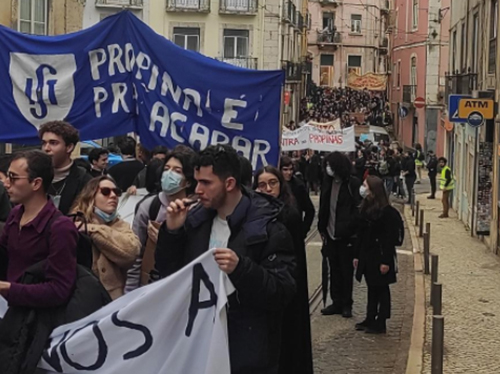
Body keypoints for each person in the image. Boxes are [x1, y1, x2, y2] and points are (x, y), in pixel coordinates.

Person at [155, 145, 296, 374]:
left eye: (207, 183)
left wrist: (241, 268)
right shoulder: (195, 222)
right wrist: (172, 232)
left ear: (229, 184)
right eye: (197, 181)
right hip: (199, 346)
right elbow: (169, 274)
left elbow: (282, 291)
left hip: (246, 354)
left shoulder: (268, 228)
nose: (197, 189)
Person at [254, 166, 313, 374]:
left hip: (289, 281)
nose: (268, 188)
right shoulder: (252, 213)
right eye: (262, 184)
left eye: (272, 183)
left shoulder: (289, 213)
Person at [0, 150, 78, 307]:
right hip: (11, 313)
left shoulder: (60, 227)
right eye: (7, 176)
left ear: (36, 183)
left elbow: (59, 290)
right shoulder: (16, 214)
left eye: (13, 178)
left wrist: (9, 288)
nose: (6, 183)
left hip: (37, 322)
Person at [125, 148, 197, 292]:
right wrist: (130, 293)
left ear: (188, 182)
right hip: (150, 285)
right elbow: (136, 253)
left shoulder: (196, 210)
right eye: (166, 169)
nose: (169, 174)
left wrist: (166, 241)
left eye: (177, 171)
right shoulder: (149, 206)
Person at [71, 176, 141, 299]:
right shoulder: (73, 222)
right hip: (79, 299)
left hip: (111, 302)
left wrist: (92, 229)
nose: (113, 195)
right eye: (105, 192)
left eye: (116, 192)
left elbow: (131, 252)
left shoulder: (121, 225)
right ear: (91, 196)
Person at [354, 176, 400, 334]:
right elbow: (360, 234)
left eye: (365, 185)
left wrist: (386, 261)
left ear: (374, 190)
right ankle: (370, 317)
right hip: (367, 255)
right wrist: (357, 256)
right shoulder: (365, 207)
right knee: (371, 288)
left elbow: (390, 239)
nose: (363, 188)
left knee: (381, 289)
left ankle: (381, 321)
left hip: (380, 256)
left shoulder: (387, 213)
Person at [318, 152, 361, 318]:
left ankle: (346, 304)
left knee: (346, 271)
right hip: (329, 234)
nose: (328, 168)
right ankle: (336, 302)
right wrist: (322, 227)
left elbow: (357, 209)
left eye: (331, 165)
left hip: (346, 236)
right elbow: (324, 205)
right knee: (333, 269)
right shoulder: (327, 182)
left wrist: (349, 228)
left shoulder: (352, 184)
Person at [39, 121, 92, 215]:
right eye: (44, 143)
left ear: (69, 147)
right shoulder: (33, 175)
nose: (46, 148)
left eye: (53, 143)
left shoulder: (86, 181)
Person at [280, 156, 315, 238]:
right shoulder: (275, 186)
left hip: (295, 233)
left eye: (291, 169)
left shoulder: (298, 186)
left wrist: (303, 230)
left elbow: (310, 210)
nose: (289, 172)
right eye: (285, 170)